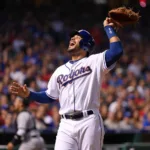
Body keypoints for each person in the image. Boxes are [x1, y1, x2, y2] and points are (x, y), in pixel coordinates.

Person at [10, 17, 123, 150]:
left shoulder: (95, 61)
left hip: (89, 120)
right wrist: (29, 94)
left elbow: (116, 51)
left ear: (86, 43)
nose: (72, 39)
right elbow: (49, 96)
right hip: (66, 124)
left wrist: (108, 28)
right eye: (71, 37)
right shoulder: (59, 71)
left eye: (77, 37)